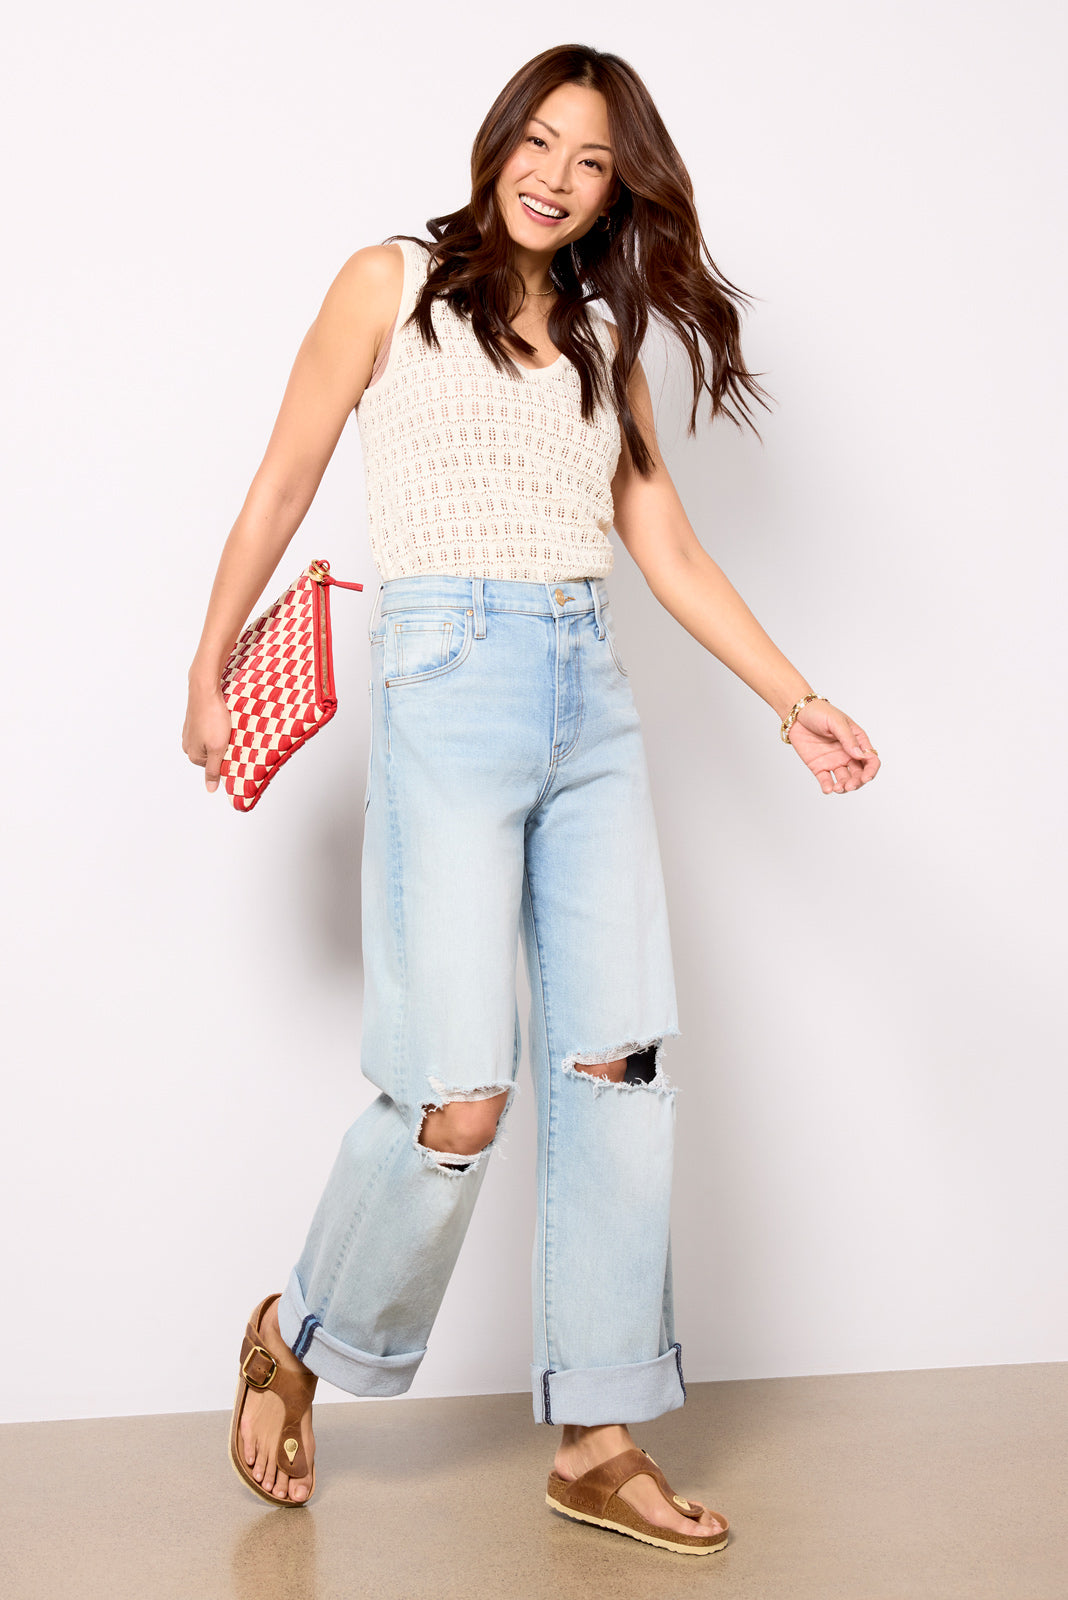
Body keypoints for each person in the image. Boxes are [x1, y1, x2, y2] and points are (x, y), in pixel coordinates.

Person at [183, 43, 879, 1556]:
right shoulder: (387, 284)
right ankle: (299, 1335)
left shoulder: (604, 340)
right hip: (446, 686)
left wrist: (795, 698)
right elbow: (282, 480)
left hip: (590, 700)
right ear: (498, 140)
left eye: (592, 162)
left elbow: (667, 548)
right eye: (541, 143)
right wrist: (210, 662)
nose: (557, 178)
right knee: (459, 1094)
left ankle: (597, 1437)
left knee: (615, 1067)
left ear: (619, 190)